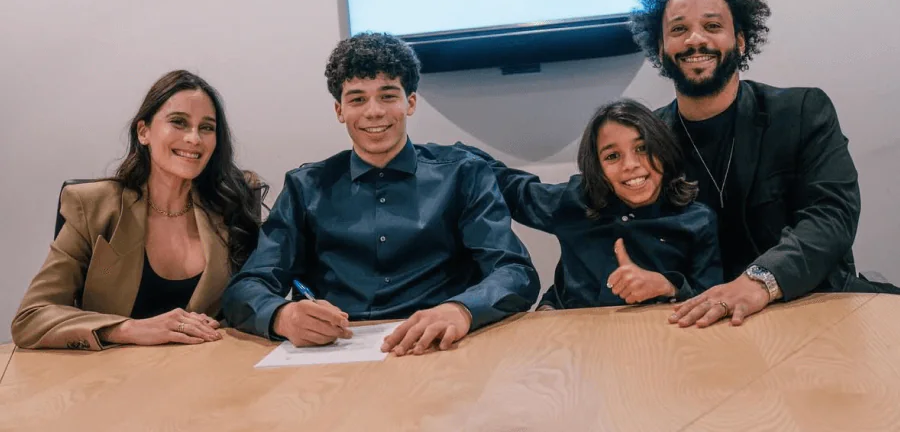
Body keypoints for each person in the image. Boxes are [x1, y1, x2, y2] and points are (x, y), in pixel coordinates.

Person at [222, 32, 539, 357]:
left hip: (440, 350)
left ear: (410, 102)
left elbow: (515, 272)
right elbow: (246, 287)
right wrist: (283, 316)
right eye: (357, 99)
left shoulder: (463, 174)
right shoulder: (304, 187)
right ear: (339, 110)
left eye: (387, 96)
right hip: (334, 358)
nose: (373, 111)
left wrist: (462, 310)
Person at [629, 0, 899, 329]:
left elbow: (831, 217)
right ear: (661, 48)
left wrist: (760, 282)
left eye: (712, 26)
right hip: (695, 324)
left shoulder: (802, 111)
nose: (695, 40)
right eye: (679, 30)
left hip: (810, 308)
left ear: (740, 41)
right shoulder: (644, 139)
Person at [11, 70, 259, 350]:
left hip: (209, 369)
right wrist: (128, 329)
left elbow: (254, 303)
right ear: (144, 132)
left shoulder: (233, 206)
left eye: (207, 127)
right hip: (112, 373)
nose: (194, 138)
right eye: (179, 122)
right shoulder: (93, 206)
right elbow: (31, 317)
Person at [458, 99, 722, 310]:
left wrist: (668, 286)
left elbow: (713, 299)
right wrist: (453, 157)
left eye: (642, 148)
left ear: (664, 150)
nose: (630, 165)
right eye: (613, 156)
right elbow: (513, 188)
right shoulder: (575, 201)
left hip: (655, 339)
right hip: (574, 334)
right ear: (597, 168)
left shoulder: (697, 220)